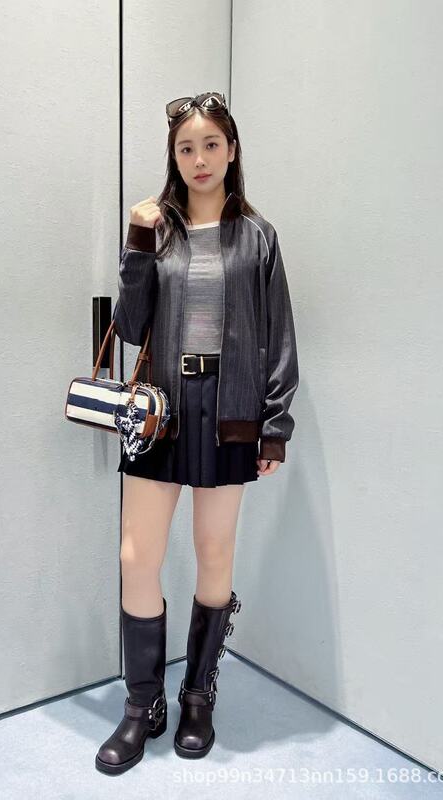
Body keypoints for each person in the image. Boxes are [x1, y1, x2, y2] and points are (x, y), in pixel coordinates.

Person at [95, 92, 299, 775]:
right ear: (174, 157)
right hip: (161, 410)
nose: (200, 158)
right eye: (187, 148)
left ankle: (198, 697)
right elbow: (129, 329)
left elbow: (278, 335)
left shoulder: (259, 237)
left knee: (214, 552)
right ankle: (141, 705)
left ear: (232, 151)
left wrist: (274, 427)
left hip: (230, 409)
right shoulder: (159, 230)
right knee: (136, 556)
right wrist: (136, 242)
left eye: (212, 144)